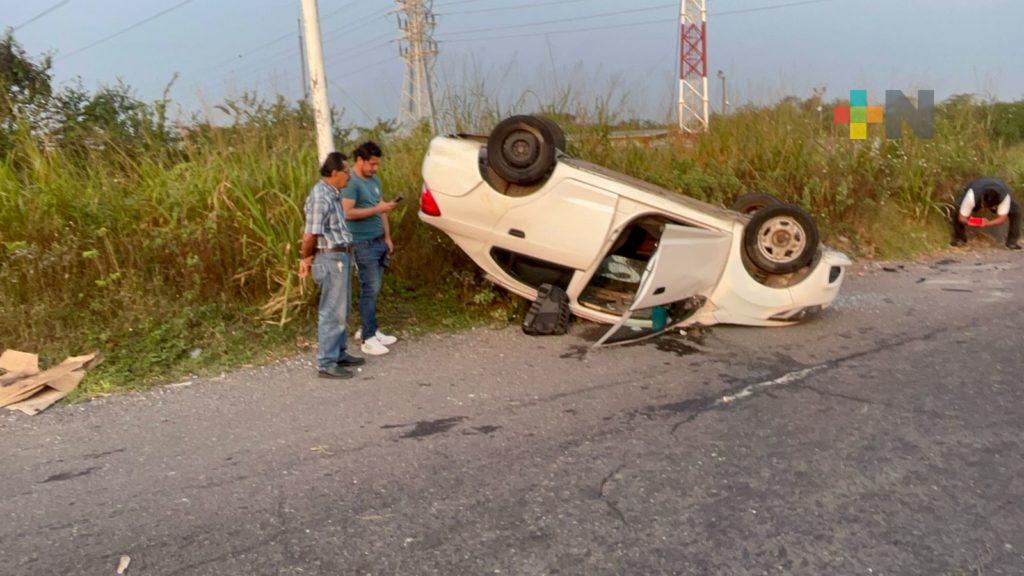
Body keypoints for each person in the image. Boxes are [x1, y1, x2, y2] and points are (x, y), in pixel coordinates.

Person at [299, 152, 366, 379]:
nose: (350, 176)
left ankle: (339, 353)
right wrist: (306, 258)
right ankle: (326, 362)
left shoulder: (333, 194)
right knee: (332, 310)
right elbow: (310, 235)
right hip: (330, 259)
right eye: (346, 172)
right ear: (335, 173)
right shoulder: (321, 197)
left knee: (341, 308)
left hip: (340, 256)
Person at [342, 141, 399, 356]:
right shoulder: (351, 182)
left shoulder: (374, 180)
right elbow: (347, 213)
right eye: (372, 164)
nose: (375, 168)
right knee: (369, 288)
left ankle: (370, 328)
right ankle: (368, 338)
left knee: (375, 288)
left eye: (377, 164)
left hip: (378, 241)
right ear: (360, 160)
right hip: (361, 243)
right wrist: (377, 209)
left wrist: (387, 236)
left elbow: (381, 209)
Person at [951, 177, 1021, 250]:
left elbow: (1002, 218)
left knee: (1016, 211)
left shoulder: (1005, 197)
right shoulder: (972, 195)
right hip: (977, 190)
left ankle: (1012, 242)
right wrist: (969, 222)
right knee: (958, 207)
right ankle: (960, 238)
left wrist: (988, 223)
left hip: (1000, 190)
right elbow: (961, 217)